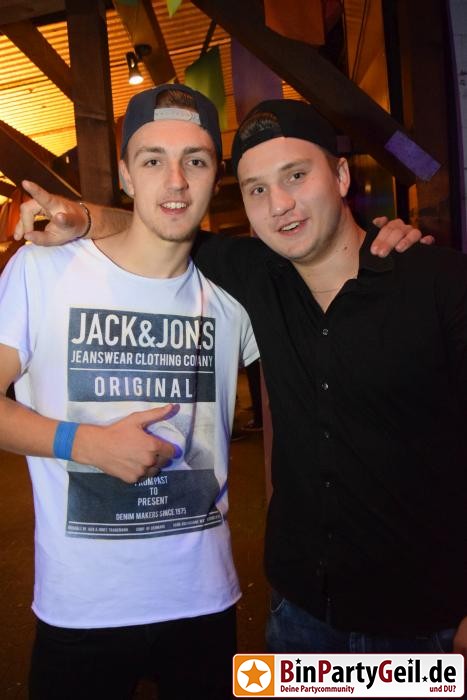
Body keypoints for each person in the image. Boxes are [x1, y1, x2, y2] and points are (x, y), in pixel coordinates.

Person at [14, 101, 445, 656]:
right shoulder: (49, 268)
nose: (280, 203)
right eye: (257, 189)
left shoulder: (430, 285)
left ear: (340, 175)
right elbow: (158, 224)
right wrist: (85, 443)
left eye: (296, 175)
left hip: (391, 622)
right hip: (276, 614)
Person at [0, 84, 259, 700]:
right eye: (152, 160)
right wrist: (84, 443)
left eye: (195, 160)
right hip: (84, 607)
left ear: (216, 174)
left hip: (205, 600)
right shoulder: (45, 269)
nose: (176, 181)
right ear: (124, 174)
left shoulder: (233, 297)